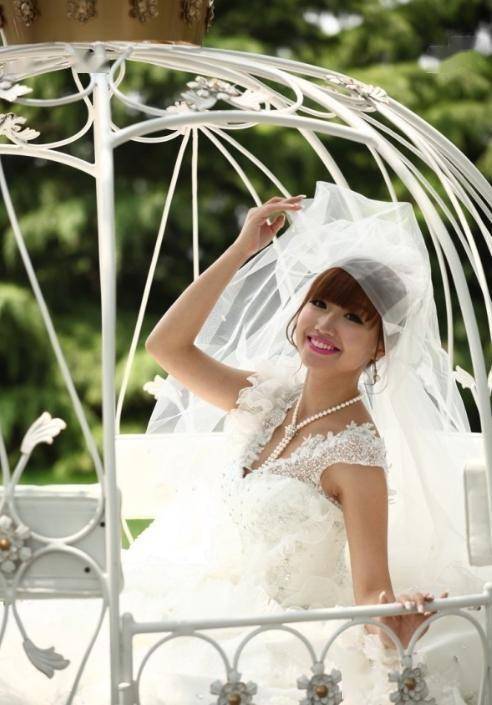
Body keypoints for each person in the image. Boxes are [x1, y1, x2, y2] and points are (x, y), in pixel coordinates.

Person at [0, 184, 486, 704]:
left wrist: (396, 621)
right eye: (319, 303)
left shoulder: (356, 458)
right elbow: (165, 346)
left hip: (270, 632)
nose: (324, 325)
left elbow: (372, 592)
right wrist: (241, 249)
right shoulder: (269, 396)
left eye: (352, 318)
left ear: (379, 348)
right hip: (194, 589)